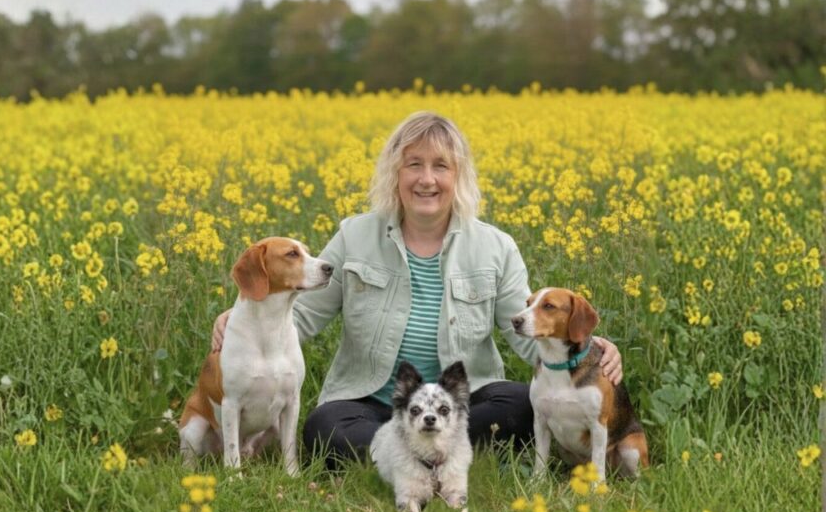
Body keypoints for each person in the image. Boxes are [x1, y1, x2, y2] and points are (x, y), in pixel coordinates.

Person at [212, 111, 622, 469]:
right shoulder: (354, 236)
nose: (427, 179)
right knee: (324, 428)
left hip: (459, 405)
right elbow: (299, 318)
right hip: (373, 405)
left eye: (441, 166)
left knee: (518, 404)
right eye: (414, 165)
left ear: (458, 176)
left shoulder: (496, 247)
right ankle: (438, 460)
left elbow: (534, 334)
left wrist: (586, 349)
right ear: (395, 173)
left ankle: (401, 459)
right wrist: (242, 321)